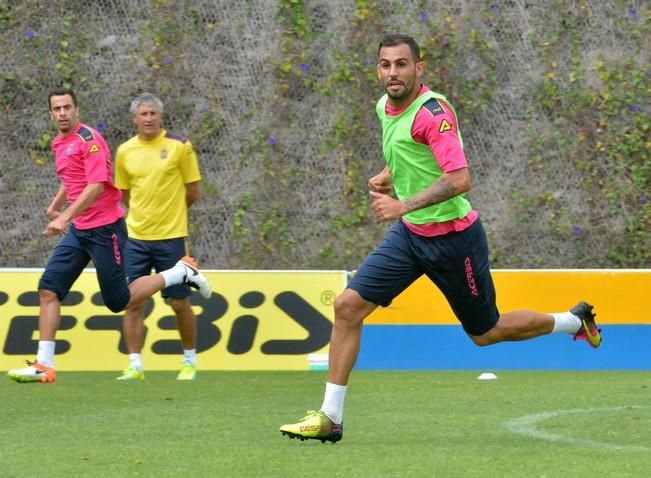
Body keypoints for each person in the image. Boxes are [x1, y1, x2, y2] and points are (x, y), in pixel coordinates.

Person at [279, 34, 601, 443]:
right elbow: (411, 155)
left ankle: (574, 320)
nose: (392, 73)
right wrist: (389, 174)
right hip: (410, 238)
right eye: (385, 65)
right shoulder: (384, 106)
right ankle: (330, 418)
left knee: (486, 334)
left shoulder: (433, 113)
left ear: (419, 67)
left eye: (400, 64)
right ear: (377, 68)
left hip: (454, 241)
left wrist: (400, 205)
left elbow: (459, 179)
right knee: (347, 306)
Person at [7, 89, 212, 384]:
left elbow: (96, 186)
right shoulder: (59, 143)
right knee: (49, 289)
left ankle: (181, 271)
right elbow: (72, 180)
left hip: (104, 228)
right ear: (50, 114)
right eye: (57, 108)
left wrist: (64, 216)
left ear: (77, 110)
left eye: (67, 107)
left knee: (119, 301)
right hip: (80, 230)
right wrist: (55, 207)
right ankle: (44, 365)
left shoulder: (89, 140)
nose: (63, 113)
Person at [114, 93, 203, 381]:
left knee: (178, 302)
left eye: (153, 113)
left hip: (172, 238)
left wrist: (171, 215)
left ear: (161, 117)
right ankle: (135, 365)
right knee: (132, 301)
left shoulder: (180, 146)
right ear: (135, 119)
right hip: (136, 239)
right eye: (143, 114)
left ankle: (189, 361)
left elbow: (193, 190)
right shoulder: (125, 151)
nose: (149, 118)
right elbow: (125, 194)